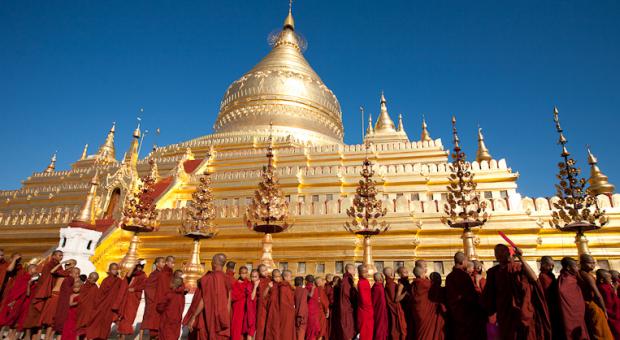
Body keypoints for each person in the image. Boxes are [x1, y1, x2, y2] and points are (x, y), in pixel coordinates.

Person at [482, 244, 551, 339]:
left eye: (502, 252)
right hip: (504, 313)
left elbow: (534, 279)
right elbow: (489, 295)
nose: (499, 255)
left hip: (521, 311)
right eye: (497, 253)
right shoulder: (493, 272)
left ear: (508, 254)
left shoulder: (517, 268)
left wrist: (521, 257)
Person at [187, 253, 232, 339]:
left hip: (208, 316)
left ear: (214, 263)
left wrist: (193, 317)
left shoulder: (209, 278)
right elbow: (229, 301)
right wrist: (226, 317)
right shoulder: (227, 279)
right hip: (223, 317)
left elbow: (204, 300)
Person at [445, 251, 486, 340]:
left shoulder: (449, 277)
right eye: (466, 261)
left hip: (454, 312)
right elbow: (471, 295)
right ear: (463, 262)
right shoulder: (464, 276)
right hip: (467, 312)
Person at [579, 254, 613, 339]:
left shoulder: (585, 274)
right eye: (590, 263)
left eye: (594, 263)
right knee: (601, 331)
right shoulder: (586, 276)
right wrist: (604, 309)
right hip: (592, 303)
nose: (593, 265)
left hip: (587, 303)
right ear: (582, 263)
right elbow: (597, 294)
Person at [86, 263, 123, 340]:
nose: (114, 271)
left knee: (107, 324)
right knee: (98, 322)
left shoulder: (119, 281)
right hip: (103, 305)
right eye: (113, 269)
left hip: (112, 306)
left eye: (116, 269)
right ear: (109, 270)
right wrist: (97, 304)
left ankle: (103, 337)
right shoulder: (105, 281)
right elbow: (100, 294)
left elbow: (122, 291)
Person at [0, 263, 36, 339]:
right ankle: (3, 334)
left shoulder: (31, 279)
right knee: (10, 318)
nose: (36, 270)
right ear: (30, 269)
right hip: (18, 301)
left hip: (24, 302)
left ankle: (12, 336)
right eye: (35, 269)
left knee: (17, 320)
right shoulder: (24, 278)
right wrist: (13, 300)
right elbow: (19, 291)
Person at [557, 257, 590, 340]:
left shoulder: (573, 277)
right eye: (575, 266)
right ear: (568, 268)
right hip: (572, 314)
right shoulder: (566, 279)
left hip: (579, 313)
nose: (577, 268)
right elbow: (565, 295)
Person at [412, 265, 447, 340]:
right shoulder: (426, 283)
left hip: (419, 313)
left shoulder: (413, 284)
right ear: (422, 274)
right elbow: (436, 288)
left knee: (422, 332)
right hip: (427, 312)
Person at [117, 262, 147, 339]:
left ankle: (123, 335)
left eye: (140, 267)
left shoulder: (143, 275)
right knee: (123, 316)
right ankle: (121, 337)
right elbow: (127, 276)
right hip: (126, 296)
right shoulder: (132, 273)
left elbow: (144, 285)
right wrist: (133, 265)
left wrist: (134, 289)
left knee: (128, 316)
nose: (139, 268)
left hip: (133, 298)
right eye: (138, 267)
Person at [140, 256, 166, 338]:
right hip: (154, 300)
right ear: (157, 264)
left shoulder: (164, 274)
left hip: (162, 301)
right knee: (151, 321)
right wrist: (153, 298)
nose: (164, 264)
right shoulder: (154, 274)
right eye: (162, 262)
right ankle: (142, 337)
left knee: (159, 322)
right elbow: (148, 287)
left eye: (164, 262)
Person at [538, 256, 562, 339]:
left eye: (553, 265)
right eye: (549, 265)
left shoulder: (550, 275)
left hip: (556, 304)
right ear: (543, 265)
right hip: (549, 305)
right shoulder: (543, 276)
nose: (551, 268)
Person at [53, 266, 81, 337]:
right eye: (75, 273)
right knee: (63, 327)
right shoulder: (69, 280)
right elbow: (68, 295)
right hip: (65, 306)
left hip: (73, 311)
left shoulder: (75, 282)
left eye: (78, 274)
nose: (77, 275)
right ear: (70, 274)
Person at [383, 267, 407, 340]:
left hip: (392, 309)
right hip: (396, 309)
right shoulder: (391, 284)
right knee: (398, 329)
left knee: (394, 327)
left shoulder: (388, 284)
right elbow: (396, 300)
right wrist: (405, 293)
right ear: (391, 274)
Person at [596, 269, 620, 338]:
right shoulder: (603, 288)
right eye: (609, 278)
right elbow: (609, 302)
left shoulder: (608, 286)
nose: (611, 280)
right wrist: (615, 289)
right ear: (602, 280)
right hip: (613, 313)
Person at [75, 272, 99, 337]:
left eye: (94, 280)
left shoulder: (95, 289)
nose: (90, 280)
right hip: (80, 309)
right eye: (90, 278)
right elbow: (79, 296)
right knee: (77, 328)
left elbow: (96, 301)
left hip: (89, 312)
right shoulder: (83, 286)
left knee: (86, 329)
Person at [338, 263, 357, 340]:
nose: (355, 271)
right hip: (347, 307)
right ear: (349, 270)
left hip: (345, 307)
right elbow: (348, 294)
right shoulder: (347, 280)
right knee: (348, 329)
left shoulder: (344, 280)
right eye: (354, 269)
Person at [231, 266, 249, 340]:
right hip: (237, 308)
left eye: (245, 273)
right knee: (236, 326)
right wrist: (244, 293)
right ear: (239, 273)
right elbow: (233, 296)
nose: (243, 275)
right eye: (242, 273)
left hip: (246, 308)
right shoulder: (235, 283)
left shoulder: (248, 283)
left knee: (245, 326)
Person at [254, 264, 271, 340]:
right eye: (263, 271)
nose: (265, 272)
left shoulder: (271, 279)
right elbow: (261, 296)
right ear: (259, 273)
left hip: (270, 305)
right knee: (261, 326)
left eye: (266, 270)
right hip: (262, 306)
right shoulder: (259, 281)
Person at [356, 265, 374, 340]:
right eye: (364, 272)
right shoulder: (361, 283)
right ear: (359, 273)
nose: (367, 274)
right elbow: (364, 300)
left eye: (367, 272)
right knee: (364, 331)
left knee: (369, 330)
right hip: (365, 310)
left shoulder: (365, 281)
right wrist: (369, 308)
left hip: (368, 310)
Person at [397, 266, 414, 340]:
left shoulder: (407, 282)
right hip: (405, 308)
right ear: (400, 274)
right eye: (404, 272)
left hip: (410, 307)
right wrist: (405, 293)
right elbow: (397, 299)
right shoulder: (401, 284)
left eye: (407, 272)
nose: (406, 274)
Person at [265, 269, 282, 339]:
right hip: (271, 309)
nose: (277, 278)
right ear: (272, 277)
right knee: (270, 327)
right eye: (275, 277)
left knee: (278, 329)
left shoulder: (282, 285)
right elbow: (264, 295)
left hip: (280, 310)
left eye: (278, 276)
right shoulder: (270, 284)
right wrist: (268, 287)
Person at [279, 270, 295, 340]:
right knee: (285, 330)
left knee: (288, 329)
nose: (291, 279)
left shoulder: (288, 286)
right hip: (285, 312)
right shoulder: (283, 287)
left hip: (290, 311)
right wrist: (292, 308)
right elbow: (283, 301)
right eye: (290, 277)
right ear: (285, 277)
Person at [371, 272, 388, 340]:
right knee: (381, 327)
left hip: (376, 309)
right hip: (381, 310)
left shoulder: (374, 287)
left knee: (378, 325)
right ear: (381, 279)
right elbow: (382, 301)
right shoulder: (380, 288)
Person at [244, 269, 260, 339]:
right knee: (250, 331)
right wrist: (255, 287)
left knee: (256, 331)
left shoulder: (260, 284)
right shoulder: (249, 285)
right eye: (252, 277)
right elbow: (252, 298)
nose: (254, 278)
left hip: (258, 309)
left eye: (255, 277)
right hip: (251, 311)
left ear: (258, 277)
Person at [305, 274, 321, 340]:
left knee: (309, 329)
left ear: (306, 281)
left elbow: (309, 296)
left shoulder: (306, 289)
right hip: (315, 311)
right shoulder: (316, 289)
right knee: (314, 329)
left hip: (309, 311)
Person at [293, 276, 308, 340]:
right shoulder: (304, 291)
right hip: (301, 315)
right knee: (301, 333)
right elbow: (302, 303)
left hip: (294, 313)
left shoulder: (293, 290)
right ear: (302, 283)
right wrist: (301, 315)